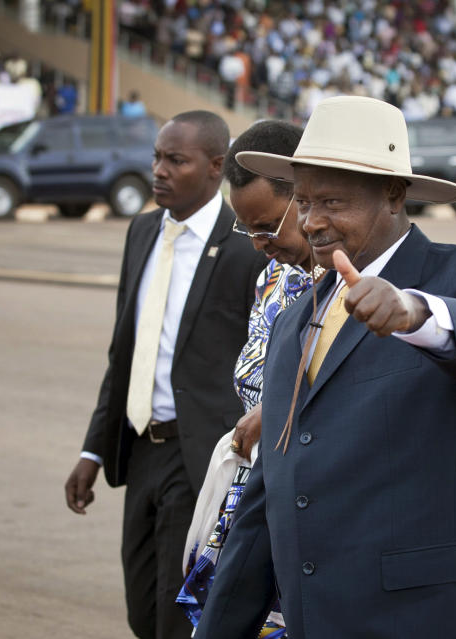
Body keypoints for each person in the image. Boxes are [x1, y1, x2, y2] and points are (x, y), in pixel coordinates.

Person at [194, 96, 456, 638]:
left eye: (332, 201)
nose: (313, 223)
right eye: (304, 203)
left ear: (394, 195)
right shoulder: (293, 326)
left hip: (436, 620)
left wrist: (414, 312)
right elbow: (268, 500)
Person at [63, 110, 267, 639]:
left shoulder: (246, 245)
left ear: (215, 166)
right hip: (141, 449)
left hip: (197, 453)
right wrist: (93, 450)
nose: (159, 170)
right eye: (157, 157)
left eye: (176, 160)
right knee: (141, 611)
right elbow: (123, 353)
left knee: (175, 618)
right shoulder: (143, 230)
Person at [176, 120, 310, 637]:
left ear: (309, 196)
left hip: (304, 513)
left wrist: (277, 411)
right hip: (256, 496)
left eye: (268, 226)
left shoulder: (355, 288)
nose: (257, 243)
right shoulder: (272, 276)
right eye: (246, 228)